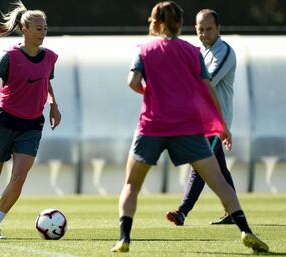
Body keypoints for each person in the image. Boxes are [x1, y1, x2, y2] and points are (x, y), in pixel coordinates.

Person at [111, 1, 268, 253]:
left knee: (131, 185)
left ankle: (124, 238)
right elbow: (207, 88)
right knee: (219, 181)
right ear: (181, 24)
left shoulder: (144, 49)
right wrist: (221, 124)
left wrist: (150, 93)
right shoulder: (192, 51)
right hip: (187, 126)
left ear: (153, 21)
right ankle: (245, 231)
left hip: (152, 124)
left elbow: (132, 81)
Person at [0, 1, 61, 240]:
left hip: (32, 125)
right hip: (4, 122)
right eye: (38, 28)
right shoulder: (8, 57)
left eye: (45, 28)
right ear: (25, 29)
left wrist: (53, 105)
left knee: (18, 179)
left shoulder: (49, 58)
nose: (43, 33)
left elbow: (46, 82)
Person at [166, 9, 238, 226]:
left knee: (200, 164)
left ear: (218, 29)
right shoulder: (202, 52)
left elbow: (206, 82)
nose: (204, 33)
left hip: (214, 122)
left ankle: (182, 211)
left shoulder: (223, 51)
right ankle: (234, 212)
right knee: (217, 168)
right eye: (200, 29)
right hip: (201, 121)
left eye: (209, 29)